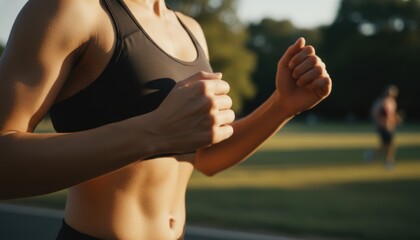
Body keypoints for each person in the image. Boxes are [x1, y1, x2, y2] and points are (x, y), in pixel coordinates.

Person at [0, 0, 332, 239]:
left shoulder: (191, 29)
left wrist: (283, 105)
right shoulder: (69, 9)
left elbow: (203, 156)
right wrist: (154, 130)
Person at [365, 84, 402, 169]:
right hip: (382, 127)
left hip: (390, 127)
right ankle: (388, 162)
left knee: (386, 146)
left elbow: (392, 115)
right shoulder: (381, 101)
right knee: (389, 145)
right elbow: (374, 113)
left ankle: (372, 156)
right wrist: (379, 122)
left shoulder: (393, 102)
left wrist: (397, 119)